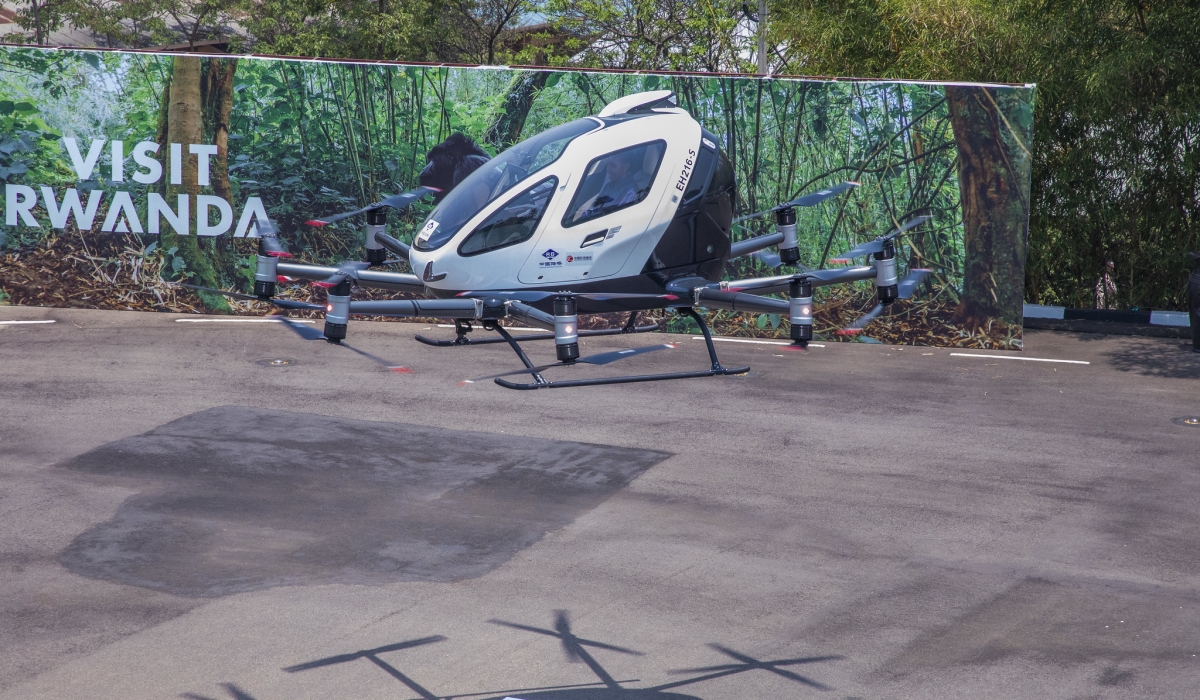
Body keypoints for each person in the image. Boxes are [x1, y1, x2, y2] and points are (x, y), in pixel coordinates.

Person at [575, 150, 643, 221]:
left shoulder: (630, 192)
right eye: (608, 165)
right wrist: (581, 218)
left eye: (613, 165)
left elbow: (615, 219)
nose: (608, 169)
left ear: (626, 166)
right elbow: (595, 207)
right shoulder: (609, 185)